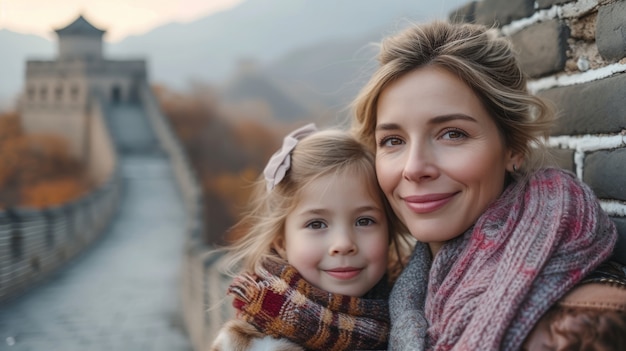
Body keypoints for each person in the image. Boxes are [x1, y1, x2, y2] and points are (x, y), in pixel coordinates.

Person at [350, 20, 619, 350]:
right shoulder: (392, 296)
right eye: (392, 140)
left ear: (513, 147)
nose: (414, 168)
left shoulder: (581, 325)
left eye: (453, 134)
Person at [210, 124, 411, 351]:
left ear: (389, 232)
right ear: (281, 242)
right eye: (316, 224)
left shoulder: (415, 309)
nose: (343, 244)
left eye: (364, 221)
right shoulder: (247, 344)